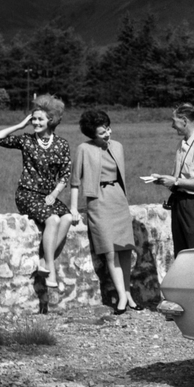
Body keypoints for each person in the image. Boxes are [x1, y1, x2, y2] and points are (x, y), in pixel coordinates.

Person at [0, 94, 73, 310]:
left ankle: (45, 261)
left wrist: (55, 194)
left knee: (67, 217)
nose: (36, 123)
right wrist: (20, 125)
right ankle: (51, 270)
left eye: (40, 120)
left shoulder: (62, 145)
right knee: (53, 219)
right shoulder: (26, 140)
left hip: (49, 195)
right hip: (27, 194)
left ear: (51, 121)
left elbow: (65, 174)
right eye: (33, 119)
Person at [69, 110, 137, 315]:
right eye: (102, 132)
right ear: (92, 134)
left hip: (118, 199)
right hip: (98, 201)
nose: (107, 134)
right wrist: (73, 208)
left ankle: (128, 294)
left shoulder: (118, 146)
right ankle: (122, 297)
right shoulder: (83, 149)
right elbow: (75, 182)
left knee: (125, 248)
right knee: (109, 250)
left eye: (108, 129)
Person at [152, 103, 194, 256]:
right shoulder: (181, 144)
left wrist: (176, 182)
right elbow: (179, 178)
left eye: (173, 121)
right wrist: (164, 180)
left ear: (184, 120)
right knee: (182, 253)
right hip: (179, 202)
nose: (172, 126)